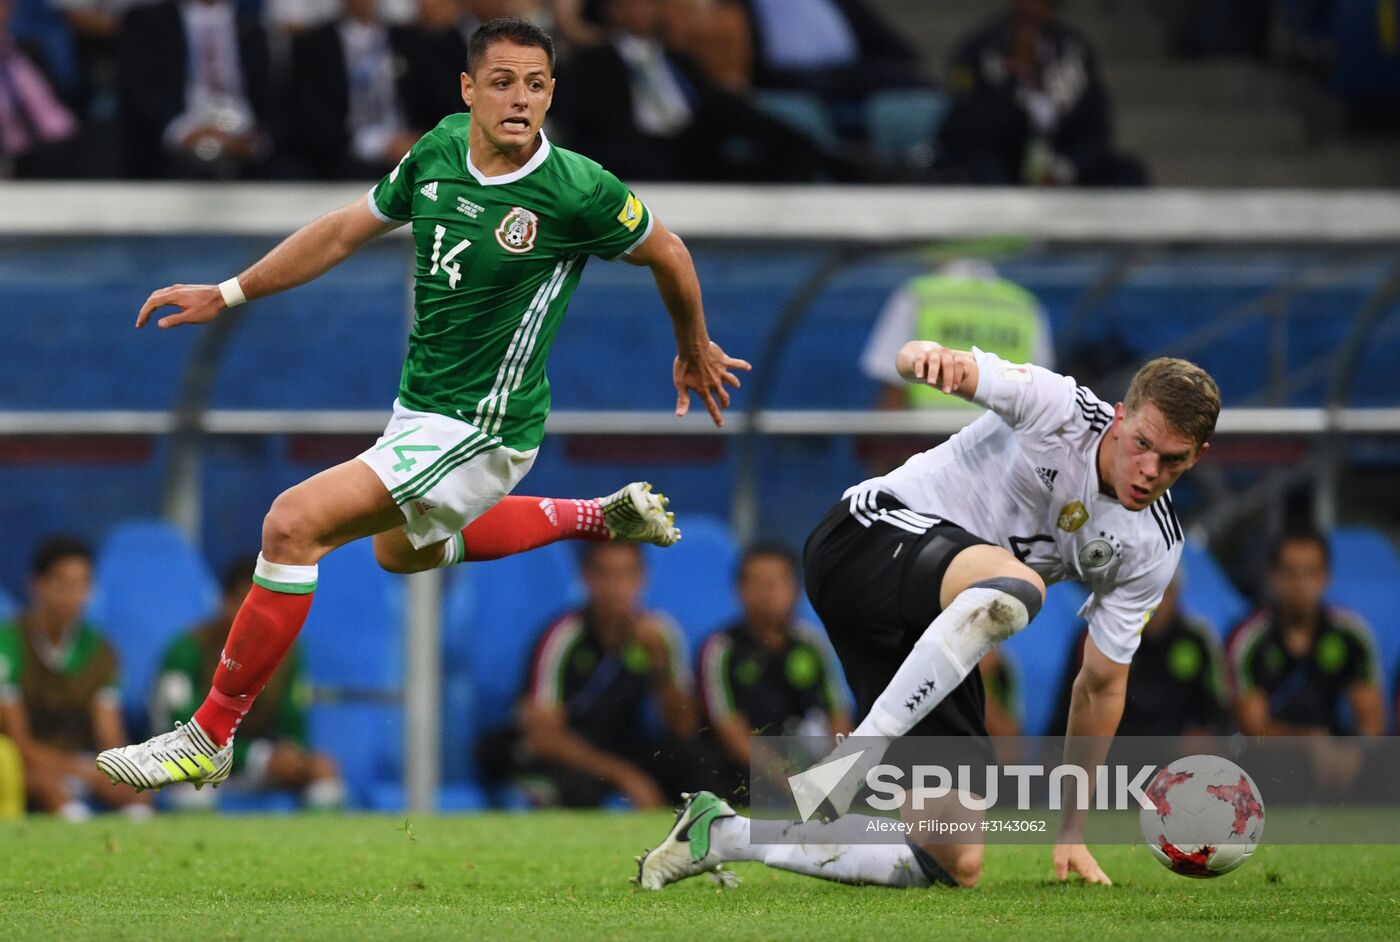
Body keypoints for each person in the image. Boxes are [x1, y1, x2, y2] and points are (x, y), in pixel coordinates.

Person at [96, 16, 749, 795]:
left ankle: (210, 734)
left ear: (551, 94)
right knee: (398, 552)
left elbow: (669, 251)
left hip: (484, 427)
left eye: (536, 85)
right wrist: (230, 290)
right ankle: (594, 516)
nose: (520, 99)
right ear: (468, 89)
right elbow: (345, 229)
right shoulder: (439, 148)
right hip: (421, 413)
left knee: (292, 523)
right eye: (502, 82)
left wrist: (693, 344)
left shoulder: (578, 189)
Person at [639, 342, 1220, 891]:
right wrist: (924, 358)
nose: (1149, 470)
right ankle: (853, 761)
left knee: (952, 856)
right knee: (1019, 586)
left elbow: (1100, 686)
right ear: (1120, 417)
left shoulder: (1151, 547)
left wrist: (1071, 830)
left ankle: (721, 835)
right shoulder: (1060, 408)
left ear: (1198, 457)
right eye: (1142, 443)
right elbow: (959, 370)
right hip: (862, 541)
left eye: (1172, 461)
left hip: (936, 626)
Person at [482, 542, 702, 807]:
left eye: (625, 575)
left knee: (695, 763)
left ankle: (738, 842)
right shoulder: (563, 637)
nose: (615, 587)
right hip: (569, 753)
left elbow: (684, 729)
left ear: (642, 579)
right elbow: (543, 737)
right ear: (586, 578)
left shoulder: (660, 634)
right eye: (605, 575)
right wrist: (626, 776)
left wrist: (659, 667)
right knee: (575, 788)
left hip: (622, 745)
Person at [551, 0, 830, 182]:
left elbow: (707, 105)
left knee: (726, 107)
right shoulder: (591, 61)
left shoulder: (678, 59)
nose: (643, 10)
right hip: (634, 147)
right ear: (612, 11)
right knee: (650, 160)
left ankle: (818, 155)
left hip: (689, 144)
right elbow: (582, 120)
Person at [151, 555, 345, 809]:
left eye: (267, 605)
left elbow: (294, 724)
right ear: (225, 603)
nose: (258, 616)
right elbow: (183, 738)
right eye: (247, 604)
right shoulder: (186, 650)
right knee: (193, 793)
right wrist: (260, 757)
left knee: (325, 779)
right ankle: (199, 849)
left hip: (259, 766)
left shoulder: (288, 652)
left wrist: (295, 757)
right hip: (195, 766)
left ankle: (308, 850)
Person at [0, 536, 150, 819]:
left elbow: (109, 734)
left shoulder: (101, 651)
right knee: (47, 787)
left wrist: (119, 771)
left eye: (82, 585)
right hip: (19, 766)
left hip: (77, 764)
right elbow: (17, 741)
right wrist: (77, 771)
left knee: (132, 790)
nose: (73, 596)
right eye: (63, 584)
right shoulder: (7, 644)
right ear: (37, 585)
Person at [697, 543, 852, 801]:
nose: (766, 593)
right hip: (742, 770)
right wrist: (789, 782)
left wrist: (837, 772)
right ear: (739, 590)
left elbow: (838, 717)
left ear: (796, 590)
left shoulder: (812, 645)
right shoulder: (721, 649)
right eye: (757, 583)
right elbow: (728, 729)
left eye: (776, 582)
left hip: (804, 758)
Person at [935, 0, 1146, 186]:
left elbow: (1097, 127)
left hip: (1060, 157)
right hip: (1001, 157)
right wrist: (1014, 75)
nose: (1032, 7)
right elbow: (963, 124)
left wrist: (1064, 169)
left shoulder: (1075, 50)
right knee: (980, 167)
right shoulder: (980, 48)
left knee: (1127, 172)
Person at [1228, 528, 1384, 737]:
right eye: (1290, 572)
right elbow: (1252, 730)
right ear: (1273, 576)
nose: (1300, 584)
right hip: (1266, 761)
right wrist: (1307, 743)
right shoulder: (1247, 640)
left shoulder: (1351, 634)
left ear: (1326, 577)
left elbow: (1372, 721)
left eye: (1311, 572)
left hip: (1333, 758)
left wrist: (1355, 754)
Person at [1051, 576, 1229, 737]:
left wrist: (1206, 733)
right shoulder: (1098, 638)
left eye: (1160, 593)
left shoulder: (1197, 640)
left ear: (1175, 593)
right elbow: (1071, 713)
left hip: (1179, 761)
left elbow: (1220, 710)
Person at [116, 0, 274, 179]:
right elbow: (139, 89)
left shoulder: (251, 27)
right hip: (174, 143)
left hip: (243, 140)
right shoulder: (147, 21)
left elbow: (268, 99)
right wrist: (184, 132)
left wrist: (254, 140)